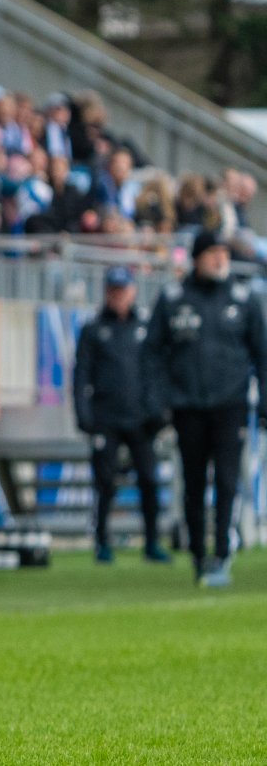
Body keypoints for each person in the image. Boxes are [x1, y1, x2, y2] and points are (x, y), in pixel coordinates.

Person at [142, 231, 267, 587]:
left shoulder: (244, 300)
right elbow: (152, 354)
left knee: (228, 481)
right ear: (196, 258)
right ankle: (199, 554)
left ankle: (223, 553)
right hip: (188, 406)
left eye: (223, 252)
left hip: (231, 405)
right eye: (212, 252)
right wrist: (158, 402)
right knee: (193, 484)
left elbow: (263, 354)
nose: (219, 259)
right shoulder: (173, 299)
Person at [73, 266, 167, 564]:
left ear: (133, 291)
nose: (118, 296)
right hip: (106, 417)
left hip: (141, 419)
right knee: (105, 482)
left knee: (149, 481)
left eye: (123, 290)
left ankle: (152, 542)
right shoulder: (93, 329)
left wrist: (159, 409)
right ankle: (102, 542)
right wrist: (83, 413)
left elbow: (157, 371)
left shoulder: (145, 327)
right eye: (113, 290)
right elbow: (81, 374)